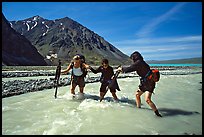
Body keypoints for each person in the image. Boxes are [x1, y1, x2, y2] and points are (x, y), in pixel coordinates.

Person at [117, 51, 162, 117]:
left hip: (149, 83)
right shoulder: (141, 62)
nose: (132, 60)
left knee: (147, 99)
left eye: (132, 58)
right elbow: (132, 67)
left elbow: (129, 69)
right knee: (137, 95)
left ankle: (157, 114)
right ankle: (139, 109)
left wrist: (121, 69)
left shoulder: (138, 63)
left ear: (134, 58)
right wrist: (123, 69)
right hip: (145, 83)